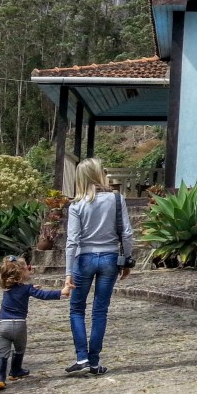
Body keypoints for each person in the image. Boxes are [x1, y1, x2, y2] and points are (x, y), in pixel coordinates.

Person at [64, 157, 133, 376]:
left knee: (77, 309)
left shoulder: (76, 205)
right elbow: (127, 233)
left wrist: (67, 274)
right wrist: (127, 259)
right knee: (100, 311)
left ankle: (82, 357)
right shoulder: (116, 198)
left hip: (83, 259)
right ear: (99, 174)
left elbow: (72, 241)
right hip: (110, 258)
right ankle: (94, 362)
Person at [0, 255, 73, 390]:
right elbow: (43, 295)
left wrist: (29, 288)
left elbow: (18, 290)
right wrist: (62, 292)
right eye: (28, 268)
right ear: (21, 273)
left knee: (2, 353)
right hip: (19, 326)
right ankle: (15, 371)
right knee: (19, 349)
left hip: (3, 326)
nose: (30, 270)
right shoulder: (27, 288)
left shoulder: (6, 288)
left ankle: (0, 379)